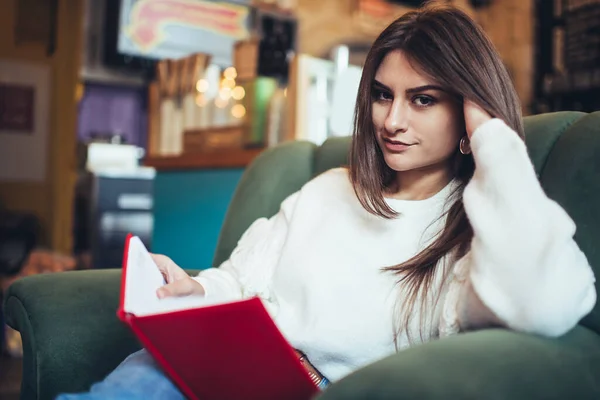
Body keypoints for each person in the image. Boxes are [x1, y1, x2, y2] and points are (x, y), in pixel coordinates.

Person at [58, 5, 596, 399]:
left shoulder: (480, 230)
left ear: (469, 110)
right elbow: (241, 282)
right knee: (148, 374)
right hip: (230, 373)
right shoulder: (325, 190)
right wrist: (195, 288)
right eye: (383, 94)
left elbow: (543, 304)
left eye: (423, 99)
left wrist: (492, 138)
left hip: (320, 392)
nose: (392, 120)